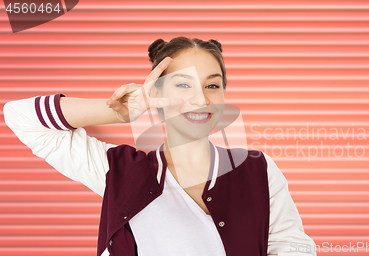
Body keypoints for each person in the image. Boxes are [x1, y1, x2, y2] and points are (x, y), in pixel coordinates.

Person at [3, 36, 316, 256]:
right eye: (183, 85)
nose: (200, 99)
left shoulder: (258, 169)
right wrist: (118, 111)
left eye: (212, 85)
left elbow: (291, 247)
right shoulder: (119, 171)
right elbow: (19, 116)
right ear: (156, 96)